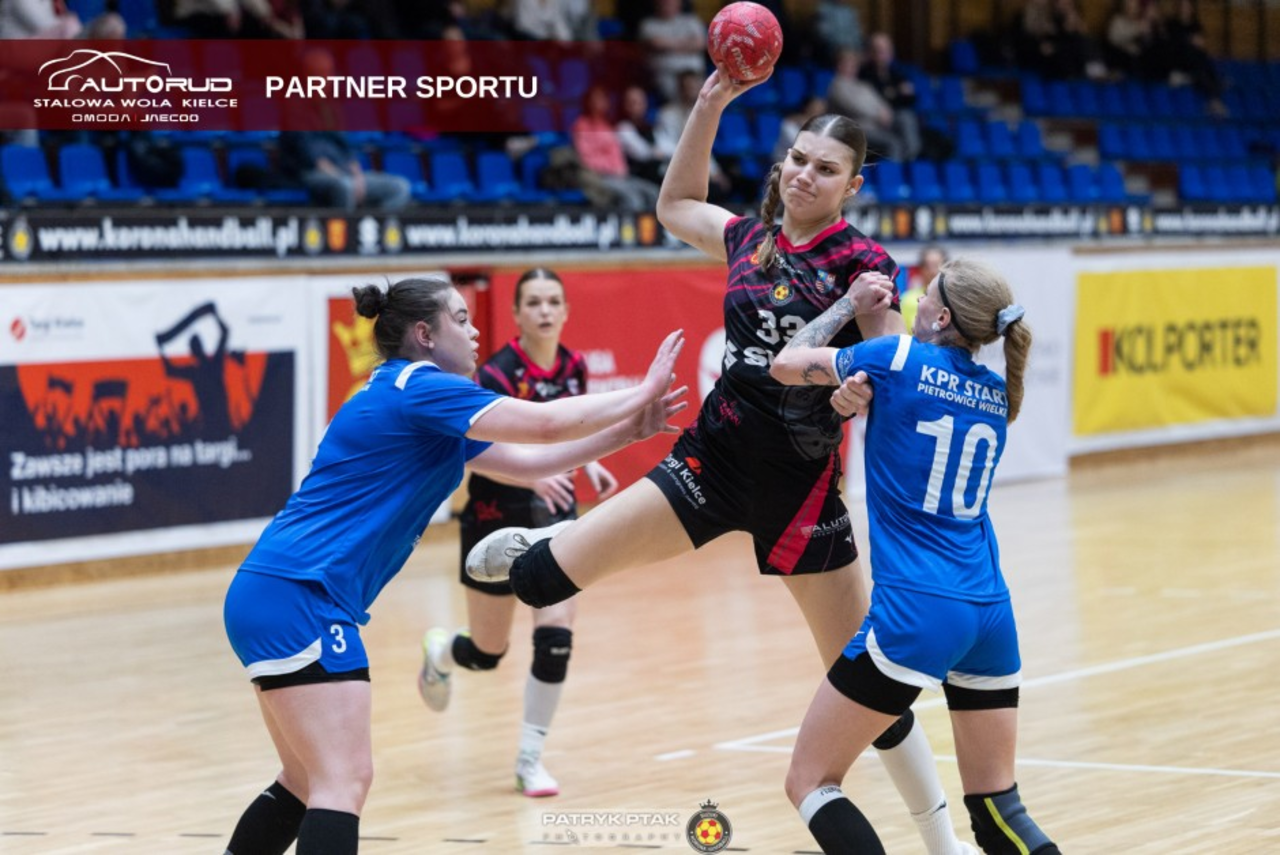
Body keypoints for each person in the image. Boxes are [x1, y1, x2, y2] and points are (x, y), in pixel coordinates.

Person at [466, 65, 976, 855]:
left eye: (826, 168)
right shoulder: (748, 239)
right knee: (538, 581)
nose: (804, 174)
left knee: (871, 693)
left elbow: (886, 371)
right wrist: (709, 104)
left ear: (852, 185)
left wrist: (858, 385)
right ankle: (538, 545)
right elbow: (674, 204)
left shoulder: (865, 265)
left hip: (801, 493)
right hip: (709, 466)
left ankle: (944, 843)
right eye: (798, 158)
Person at [221, 277, 686, 855]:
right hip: (302, 595)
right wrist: (642, 392)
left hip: (276, 591)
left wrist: (628, 430)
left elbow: (528, 463)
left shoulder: (420, 401)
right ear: (424, 334)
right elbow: (545, 424)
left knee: (303, 780)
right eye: (461, 320)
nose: (474, 333)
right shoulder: (419, 387)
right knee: (343, 781)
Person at [769, 257, 1058, 855]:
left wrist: (848, 306)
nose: (914, 300)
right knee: (999, 810)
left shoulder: (895, 359)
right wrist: (858, 393)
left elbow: (784, 363)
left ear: (942, 316)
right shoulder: (996, 392)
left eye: (924, 295)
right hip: (990, 613)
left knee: (810, 780)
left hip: (916, 613)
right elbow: (912, 392)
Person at [418, 268, 619, 798]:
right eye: (533, 302)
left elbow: (571, 431)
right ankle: (443, 653)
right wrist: (532, 473)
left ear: (566, 310)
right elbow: (470, 454)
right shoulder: (495, 373)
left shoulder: (573, 366)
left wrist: (589, 464)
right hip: (494, 516)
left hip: (555, 518)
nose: (545, 311)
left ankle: (530, 759)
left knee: (555, 638)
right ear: (516, 314)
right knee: (487, 652)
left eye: (553, 301)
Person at [902, 243, 949, 330]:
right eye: (929, 266)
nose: (933, 271)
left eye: (937, 266)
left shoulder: (953, 299)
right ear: (921, 269)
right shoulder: (907, 299)